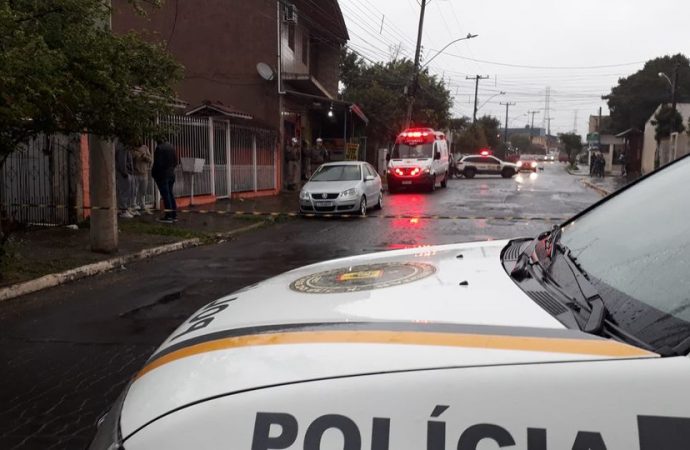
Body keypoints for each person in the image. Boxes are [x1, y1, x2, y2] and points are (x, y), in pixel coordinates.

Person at [151, 140, 179, 223]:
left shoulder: (159, 148)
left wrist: (154, 173)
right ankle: (174, 215)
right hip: (171, 174)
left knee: (166, 195)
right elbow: (176, 162)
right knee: (170, 194)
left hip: (162, 175)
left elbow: (157, 164)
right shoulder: (171, 147)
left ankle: (169, 216)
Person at [131, 143, 153, 214]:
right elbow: (131, 158)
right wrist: (137, 155)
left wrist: (145, 156)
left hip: (144, 173)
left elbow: (150, 159)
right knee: (135, 190)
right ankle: (133, 206)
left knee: (143, 191)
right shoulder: (132, 149)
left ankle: (142, 205)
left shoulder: (145, 148)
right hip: (135, 173)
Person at [115, 140, 134, 219]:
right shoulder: (123, 147)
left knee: (127, 192)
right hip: (124, 173)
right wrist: (125, 172)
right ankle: (124, 211)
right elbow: (122, 161)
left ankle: (126, 209)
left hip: (126, 172)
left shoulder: (124, 147)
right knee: (124, 192)